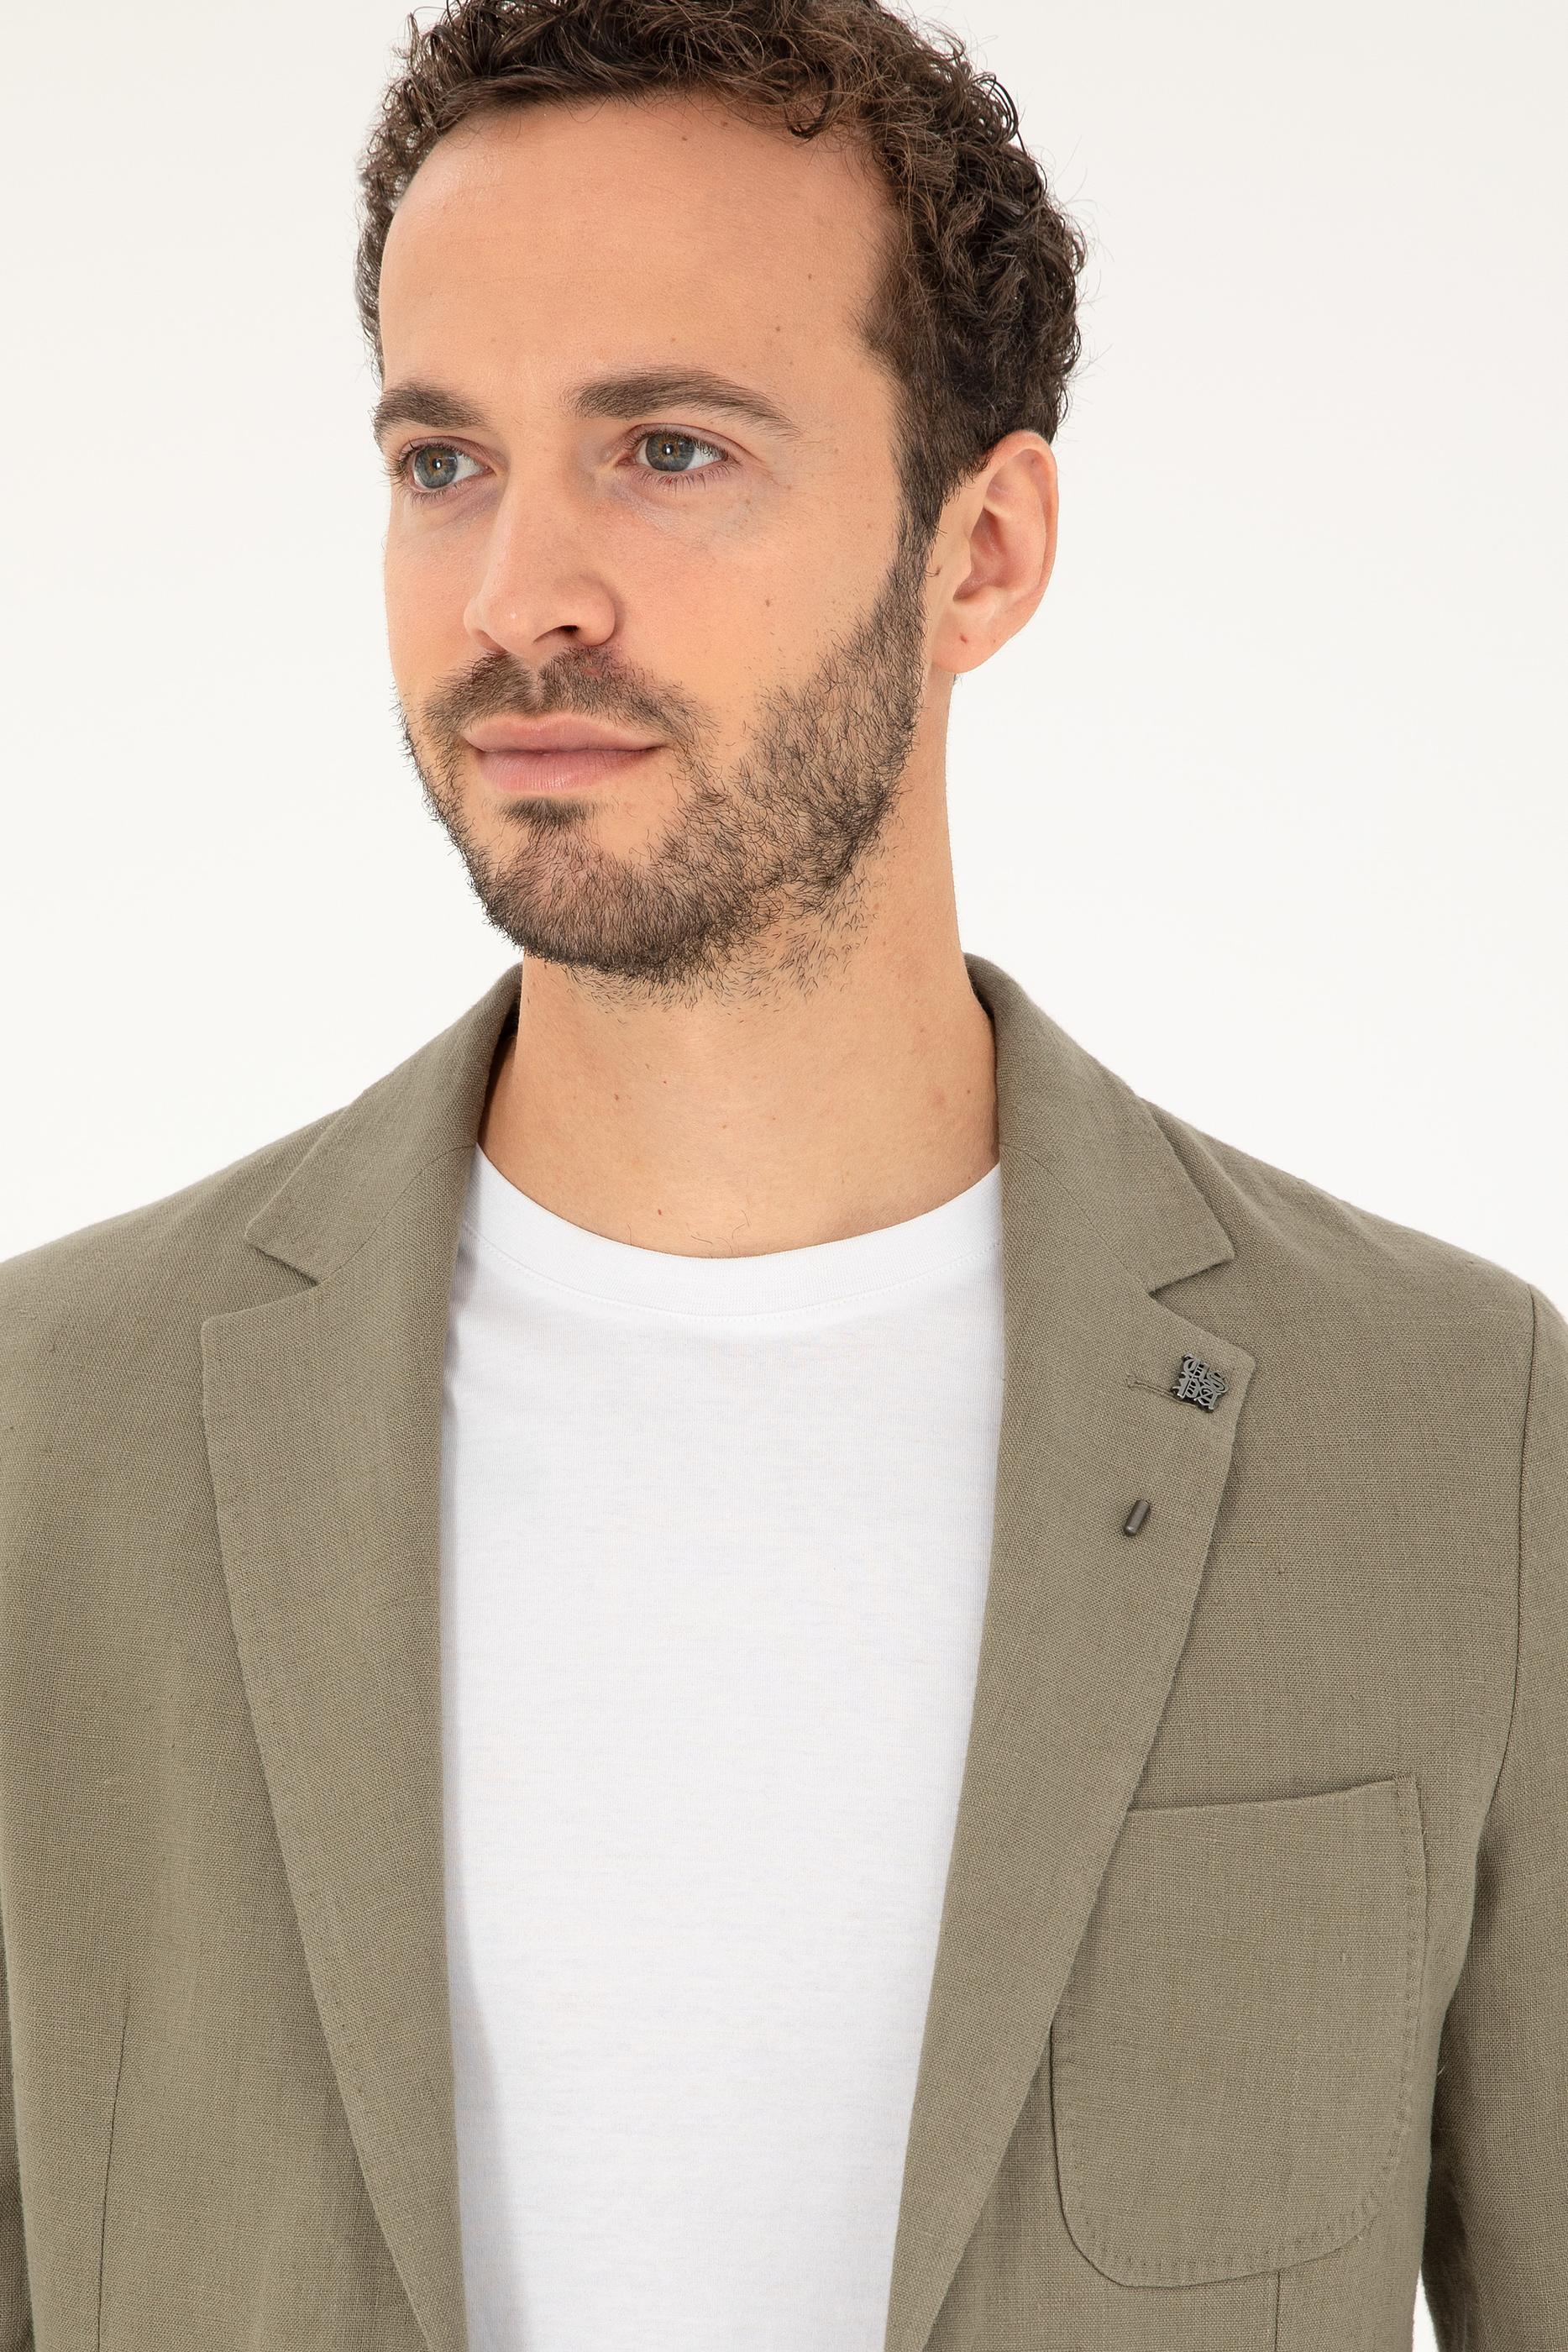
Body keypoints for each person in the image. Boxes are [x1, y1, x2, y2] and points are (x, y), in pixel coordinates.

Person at [0, 3, 1560, 2348]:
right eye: (445, 461)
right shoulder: (50, 1434)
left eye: (667, 449)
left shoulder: (1448, 1435)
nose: (520, 591)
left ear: (983, 551)